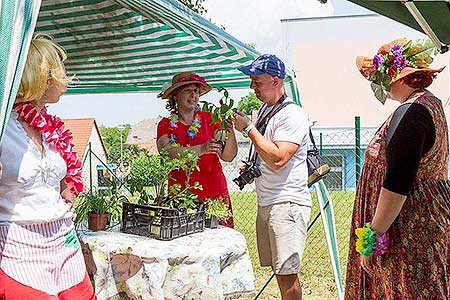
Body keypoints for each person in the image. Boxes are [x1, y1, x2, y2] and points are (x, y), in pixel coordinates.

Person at [345, 38, 450, 299]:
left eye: (383, 78)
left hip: (408, 228)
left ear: (402, 78)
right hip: (425, 219)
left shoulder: (411, 113)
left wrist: (372, 239)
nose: (379, 85)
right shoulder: (429, 104)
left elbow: (397, 185)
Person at [0, 34, 95, 299]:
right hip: (19, 246)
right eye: (57, 68)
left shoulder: (52, 128)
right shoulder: (4, 128)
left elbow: (62, 179)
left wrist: (69, 190)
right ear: (40, 75)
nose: (64, 76)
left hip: (63, 240)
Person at [233, 54, 311, 300]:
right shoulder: (266, 110)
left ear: (276, 81)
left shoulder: (293, 115)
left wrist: (248, 128)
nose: (251, 87)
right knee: (280, 273)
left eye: (257, 81)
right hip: (267, 200)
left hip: (286, 203)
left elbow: (278, 159)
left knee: (287, 274)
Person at [156, 72, 237, 228]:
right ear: (175, 96)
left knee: (218, 244)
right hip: (181, 196)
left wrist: (230, 131)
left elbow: (228, 156)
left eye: (196, 91)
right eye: (187, 91)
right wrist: (202, 148)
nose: (193, 95)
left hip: (214, 194)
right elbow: (168, 153)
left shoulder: (210, 118)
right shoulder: (165, 124)